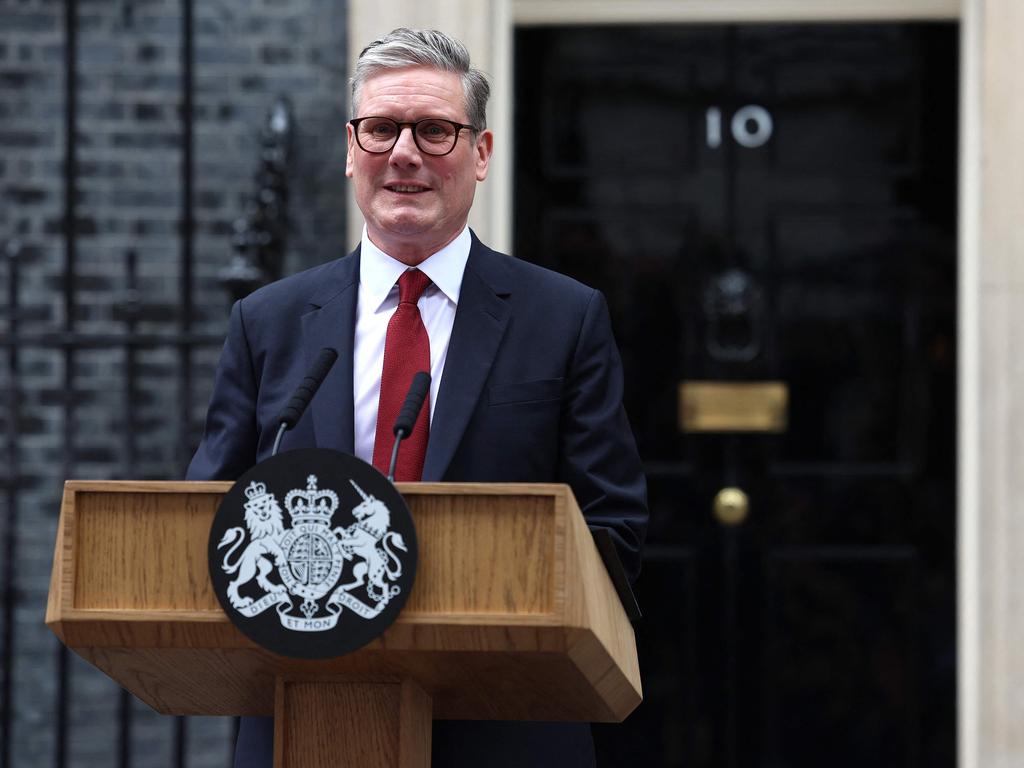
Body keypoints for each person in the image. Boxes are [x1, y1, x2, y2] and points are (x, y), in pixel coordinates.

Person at [187, 27, 647, 768]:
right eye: (381, 129)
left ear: (482, 154)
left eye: (435, 130)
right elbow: (208, 516)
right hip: (305, 718)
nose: (404, 153)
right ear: (350, 150)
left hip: (507, 723)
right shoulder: (267, 322)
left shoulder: (564, 319)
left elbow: (612, 528)